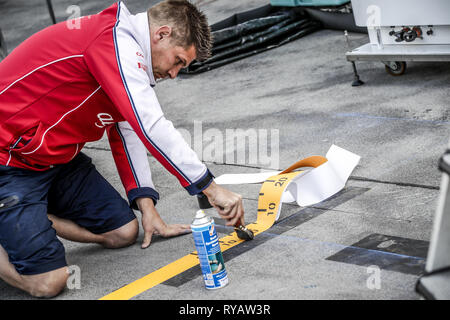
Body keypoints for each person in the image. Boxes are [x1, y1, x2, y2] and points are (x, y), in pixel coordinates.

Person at [0, 0, 245, 298]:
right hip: (9, 161)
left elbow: (127, 125)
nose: (174, 74)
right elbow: (150, 125)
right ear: (162, 34)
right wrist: (210, 187)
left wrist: (146, 204)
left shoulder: (127, 50)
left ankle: (28, 218)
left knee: (123, 233)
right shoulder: (112, 41)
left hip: (53, 157)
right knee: (48, 283)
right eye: (179, 60)